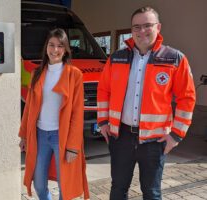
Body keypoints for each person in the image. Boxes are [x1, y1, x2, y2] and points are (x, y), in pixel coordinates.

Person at [97, 6, 196, 200]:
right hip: (121, 137)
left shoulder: (175, 59)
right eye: (136, 27)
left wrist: (176, 136)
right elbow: (104, 90)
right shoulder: (116, 57)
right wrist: (103, 122)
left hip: (155, 140)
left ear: (158, 27)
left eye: (147, 25)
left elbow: (187, 98)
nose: (142, 31)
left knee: (151, 193)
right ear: (131, 30)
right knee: (118, 189)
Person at [19, 28, 89, 200]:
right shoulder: (36, 73)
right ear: (46, 47)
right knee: (39, 184)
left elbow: (77, 112)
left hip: (62, 137)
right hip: (40, 135)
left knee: (65, 185)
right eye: (51, 45)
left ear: (66, 50)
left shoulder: (75, 75)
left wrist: (73, 146)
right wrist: (24, 136)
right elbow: (29, 107)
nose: (55, 50)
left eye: (60, 46)